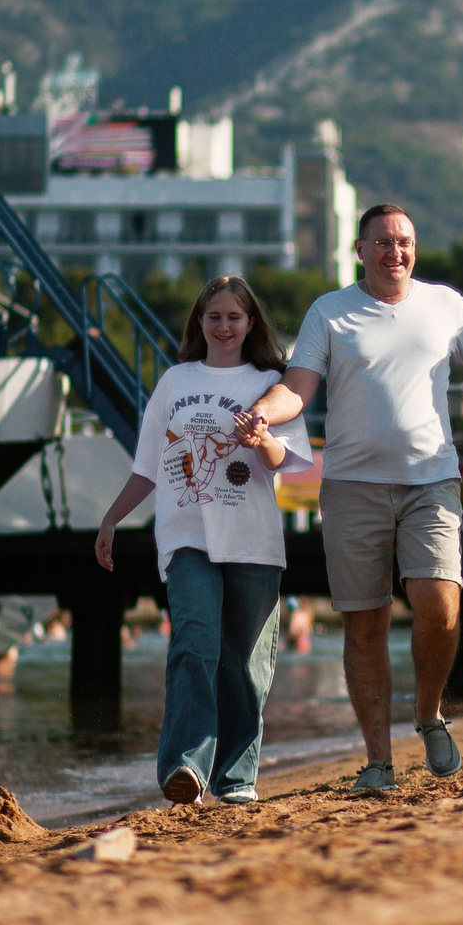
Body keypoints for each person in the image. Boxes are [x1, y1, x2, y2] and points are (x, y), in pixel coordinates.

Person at [239, 203, 463, 792]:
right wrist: (260, 415)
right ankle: (378, 762)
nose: (394, 252)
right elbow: (296, 390)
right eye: (381, 242)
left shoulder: (445, 305)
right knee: (365, 622)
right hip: (352, 486)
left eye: (404, 242)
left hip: (432, 479)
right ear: (360, 249)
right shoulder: (330, 312)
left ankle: (429, 712)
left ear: (415, 249)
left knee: (441, 602)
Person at [95, 275, 313, 807]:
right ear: (199, 323)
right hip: (185, 536)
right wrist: (110, 521)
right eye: (213, 317)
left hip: (253, 541)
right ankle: (186, 768)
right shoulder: (174, 381)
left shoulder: (271, 383)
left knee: (245, 666)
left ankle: (236, 779)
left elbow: (287, 464)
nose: (223, 326)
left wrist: (262, 439)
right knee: (195, 644)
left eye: (234, 317)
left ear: (251, 324)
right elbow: (147, 467)